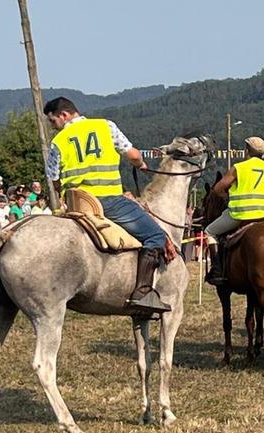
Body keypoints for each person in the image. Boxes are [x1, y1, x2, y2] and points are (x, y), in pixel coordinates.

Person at [43, 95, 171, 314]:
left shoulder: (58, 141)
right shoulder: (106, 126)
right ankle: (143, 293)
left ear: (63, 115)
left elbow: (54, 179)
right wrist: (140, 164)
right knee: (155, 236)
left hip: (76, 204)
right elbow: (133, 155)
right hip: (109, 201)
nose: (53, 126)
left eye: (53, 121)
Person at [204, 136, 264, 284]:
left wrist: (226, 196)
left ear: (247, 150)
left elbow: (217, 189)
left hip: (241, 214)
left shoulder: (239, 167)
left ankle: (217, 269)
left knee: (209, 232)